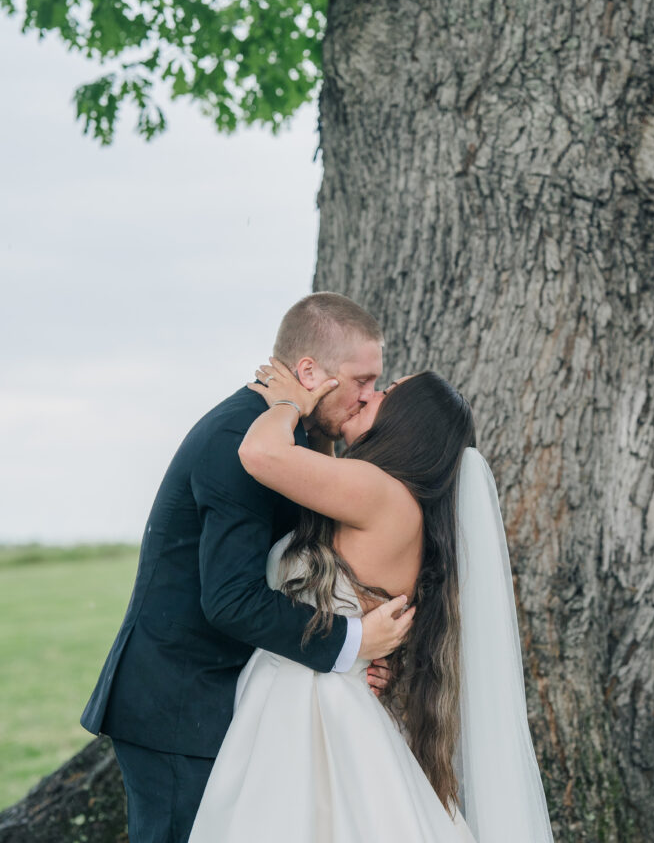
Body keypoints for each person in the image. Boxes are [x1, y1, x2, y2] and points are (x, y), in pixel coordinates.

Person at [80, 293, 416, 843]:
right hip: (178, 705)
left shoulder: (300, 439)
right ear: (309, 371)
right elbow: (230, 598)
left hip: (228, 698)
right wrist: (352, 642)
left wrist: (371, 651)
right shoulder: (240, 439)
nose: (368, 395)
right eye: (362, 379)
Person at [188, 359, 555, 843]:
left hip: (309, 710)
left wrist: (288, 403)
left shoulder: (378, 492)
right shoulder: (389, 498)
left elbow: (260, 453)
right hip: (318, 693)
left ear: (409, 422)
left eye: (389, 393)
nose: (369, 395)